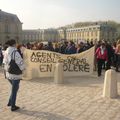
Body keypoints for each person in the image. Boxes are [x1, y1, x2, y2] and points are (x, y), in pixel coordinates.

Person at [3, 39, 25, 111]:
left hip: (8, 72)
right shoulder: (15, 52)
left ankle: (10, 102)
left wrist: (6, 70)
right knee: (14, 90)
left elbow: (4, 62)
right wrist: (23, 69)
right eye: (16, 43)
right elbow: (20, 63)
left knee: (15, 88)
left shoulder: (6, 51)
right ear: (13, 44)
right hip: (15, 74)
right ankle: (13, 106)